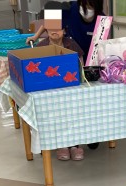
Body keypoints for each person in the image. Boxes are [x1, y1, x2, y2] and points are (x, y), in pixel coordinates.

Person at [36, 17, 85, 161]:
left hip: (70, 87)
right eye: (51, 29)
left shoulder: (71, 44)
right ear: (46, 31)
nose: (54, 32)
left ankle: (75, 145)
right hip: (49, 90)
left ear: (64, 31)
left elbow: (81, 64)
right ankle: (61, 145)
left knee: (74, 112)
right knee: (55, 113)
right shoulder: (40, 46)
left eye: (58, 29)